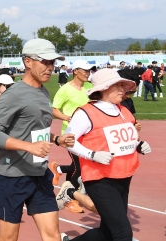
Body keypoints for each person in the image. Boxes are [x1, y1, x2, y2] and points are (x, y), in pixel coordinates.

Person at [0, 38, 75, 241]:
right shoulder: (13, 95)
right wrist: (29, 147)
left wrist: (57, 139)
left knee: (53, 236)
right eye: (45, 62)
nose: (50, 67)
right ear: (28, 61)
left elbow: (32, 130)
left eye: (53, 62)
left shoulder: (43, 91)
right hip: (13, 176)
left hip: (40, 175)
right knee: (8, 238)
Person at [60, 69, 151, 241]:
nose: (122, 89)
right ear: (103, 89)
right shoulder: (85, 113)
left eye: (122, 85)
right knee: (123, 234)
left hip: (124, 177)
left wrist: (139, 145)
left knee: (107, 233)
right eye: (117, 85)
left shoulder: (123, 111)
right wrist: (91, 154)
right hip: (100, 179)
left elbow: (125, 139)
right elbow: (68, 141)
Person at [48, 59, 96, 214]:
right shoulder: (65, 90)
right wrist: (66, 117)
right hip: (70, 134)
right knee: (80, 166)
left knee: (82, 165)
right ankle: (69, 196)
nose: (88, 73)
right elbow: (54, 109)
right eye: (85, 70)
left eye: (89, 70)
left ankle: (60, 173)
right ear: (75, 71)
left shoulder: (90, 87)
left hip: (89, 134)